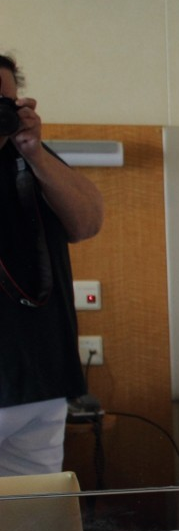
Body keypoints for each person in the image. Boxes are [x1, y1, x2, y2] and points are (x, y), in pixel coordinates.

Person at [0, 53, 104, 476]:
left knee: (36, 512)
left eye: (5, 101)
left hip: (41, 380)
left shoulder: (28, 157)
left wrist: (35, 153)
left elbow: (88, 222)